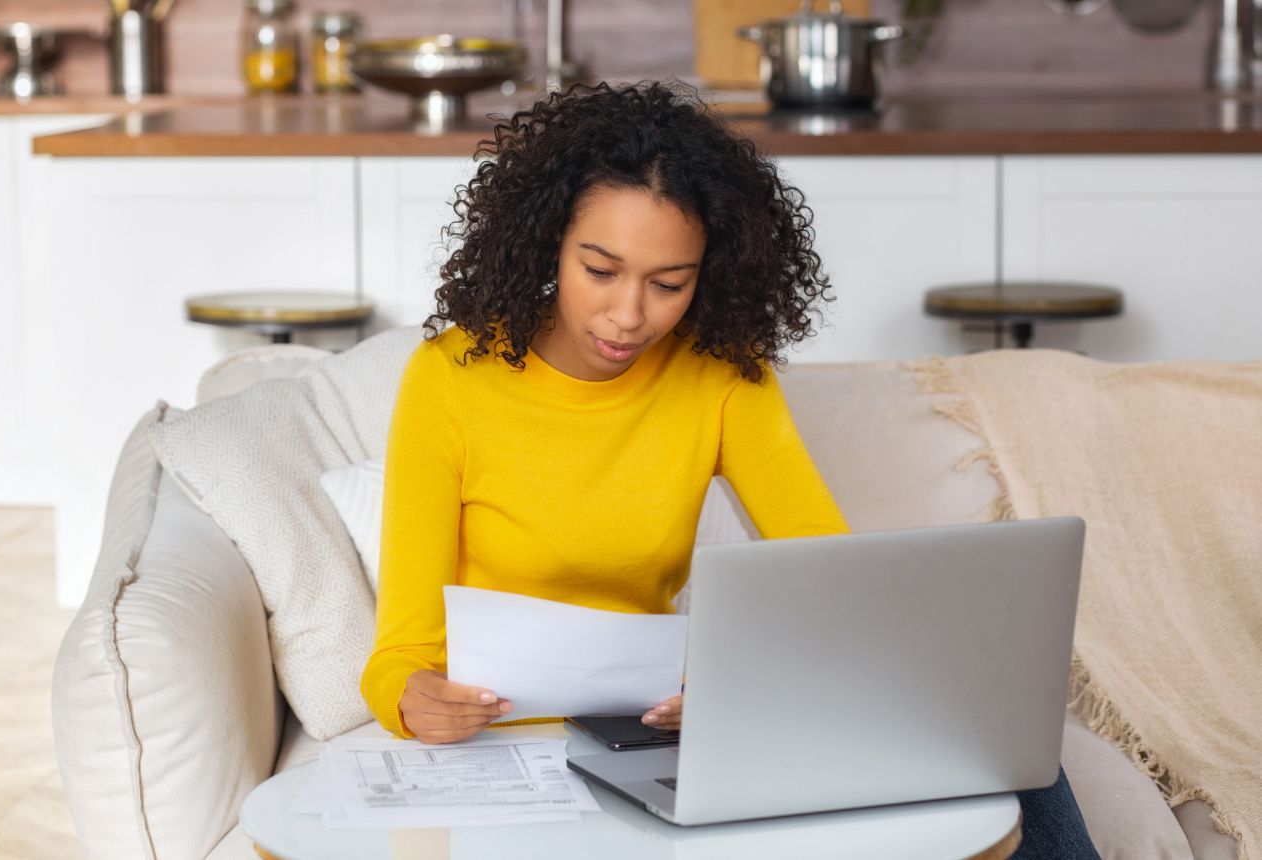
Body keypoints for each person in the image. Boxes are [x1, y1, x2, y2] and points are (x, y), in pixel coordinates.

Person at [359, 79, 1098, 858]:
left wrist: (735, 689)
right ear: (547, 243)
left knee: (996, 749)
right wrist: (410, 701)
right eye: (600, 271)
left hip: (656, 734)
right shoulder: (452, 377)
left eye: (668, 284)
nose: (629, 316)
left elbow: (830, 575)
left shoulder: (721, 375)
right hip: (511, 741)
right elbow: (399, 654)